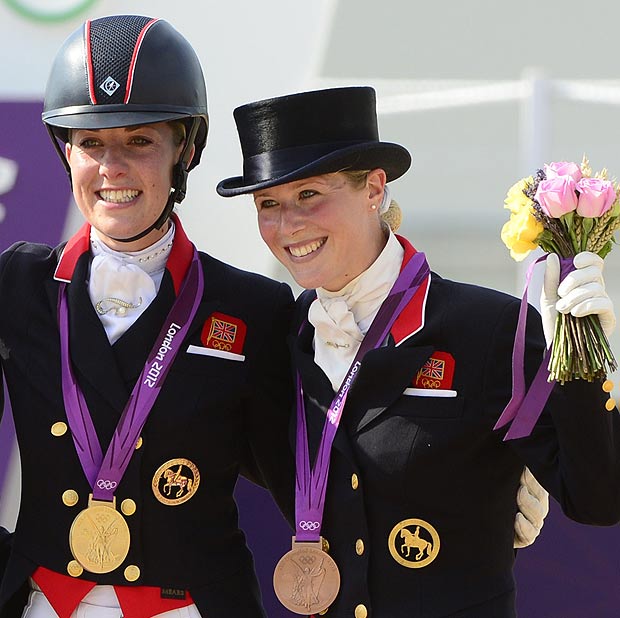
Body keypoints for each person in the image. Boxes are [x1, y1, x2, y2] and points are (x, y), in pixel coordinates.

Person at [217, 86, 620, 617]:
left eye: (310, 195)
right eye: (269, 204)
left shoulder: (490, 328)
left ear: (374, 188)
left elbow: (598, 498)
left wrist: (578, 363)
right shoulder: (277, 340)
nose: (288, 224)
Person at [0, 15, 295, 618]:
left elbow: (304, 473)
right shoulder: (15, 284)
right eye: (91, 143)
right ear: (65, 151)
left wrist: (474, 488)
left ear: (183, 149)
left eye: (139, 141)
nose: (112, 167)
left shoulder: (253, 308)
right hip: (42, 602)